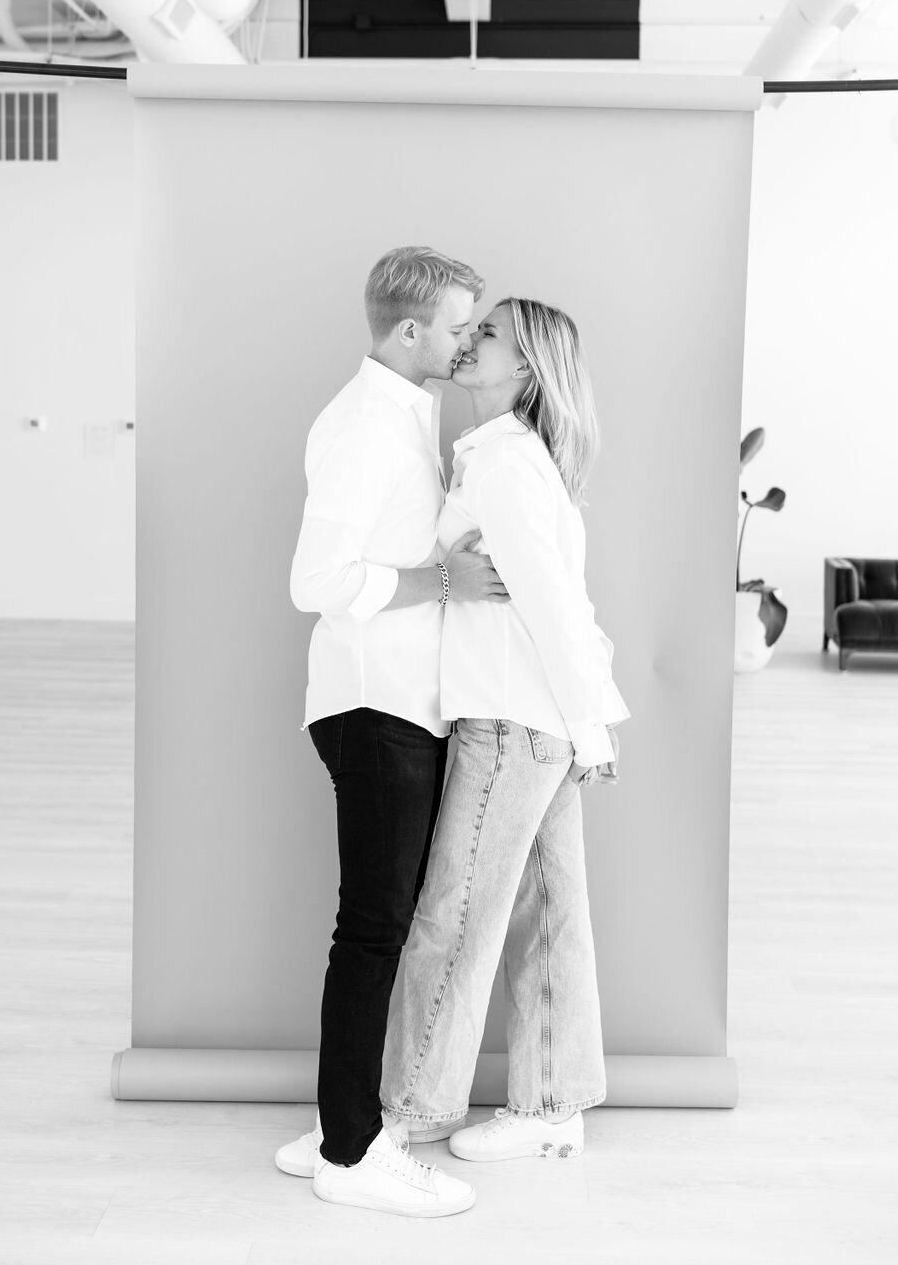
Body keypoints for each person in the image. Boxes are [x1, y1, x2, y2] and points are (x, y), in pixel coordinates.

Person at [275, 246, 508, 1219]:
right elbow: (315, 581)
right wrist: (443, 581)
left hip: (400, 705)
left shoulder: (405, 414)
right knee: (372, 931)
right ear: (410, 330)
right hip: (375, 708)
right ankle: (349, 1153)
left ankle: (338, 1127)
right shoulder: (366, 427)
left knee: (378, 928)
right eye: (458, 326)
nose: (469, 340)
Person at [380, 296, 629, 1162]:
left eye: (488, 334)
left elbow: (555, 609)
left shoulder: (507, 467)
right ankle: (552, 1106)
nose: (468, 339)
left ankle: (411, 1111)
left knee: (453, 918)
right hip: (535, 722)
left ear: (524, 367)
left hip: (510, 724)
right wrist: (588, 724)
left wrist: (591, 730)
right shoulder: (501, 457)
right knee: (548, 916)